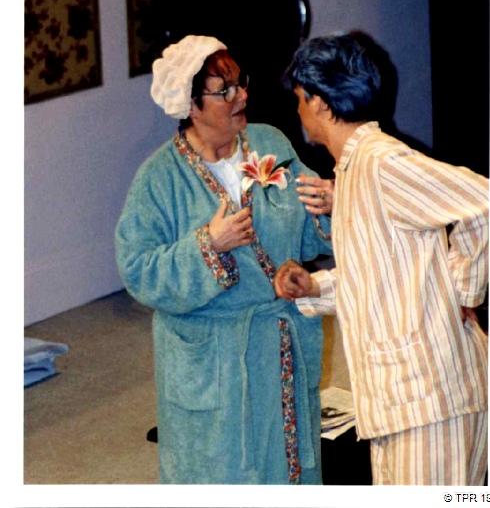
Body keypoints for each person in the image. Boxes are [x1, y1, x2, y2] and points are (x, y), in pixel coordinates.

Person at [115, 35, 334, 484]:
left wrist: (330, 205)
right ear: (191, 105)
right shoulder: (159, 179)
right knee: (216, 469)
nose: (242, 96)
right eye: (225, 91)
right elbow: (138, 270)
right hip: (212, 357)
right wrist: (208, 246)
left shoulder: (269, 143)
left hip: (278, 341)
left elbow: (312, 220)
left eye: (241, 83)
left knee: (287, 467)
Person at [274, 33, 489, 486]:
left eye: (299, 99)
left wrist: (464, 291)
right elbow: (377, 274)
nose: (298, 111)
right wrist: (314, 287)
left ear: (319, 103)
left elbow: (487, 204)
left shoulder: (381, 163)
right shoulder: (353, 170)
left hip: (431, 400)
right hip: (399, 400)